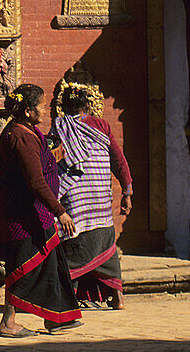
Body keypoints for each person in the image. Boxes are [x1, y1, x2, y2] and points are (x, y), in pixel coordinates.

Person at [0, 83, 82, 337]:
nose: (44, 110)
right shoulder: (20, 137)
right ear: (29, 111)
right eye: (41, 106)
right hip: (22, 217)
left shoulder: (26, 132)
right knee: (23, 269)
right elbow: (35, 181)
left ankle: (56, 318)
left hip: (35, 215)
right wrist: (60, 210)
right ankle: (8, 322)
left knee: (50, 264)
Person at [51, 85, 132, 309]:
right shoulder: (102, 125)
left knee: (72, 238)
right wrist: (126, 191)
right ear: (87, 105)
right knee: (106, 239)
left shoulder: (60, 126)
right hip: (100, 193)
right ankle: (117, 297)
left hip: (77, 193)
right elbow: (119, 160)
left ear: (62, 107)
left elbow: (55, 159)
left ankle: (69, 295)